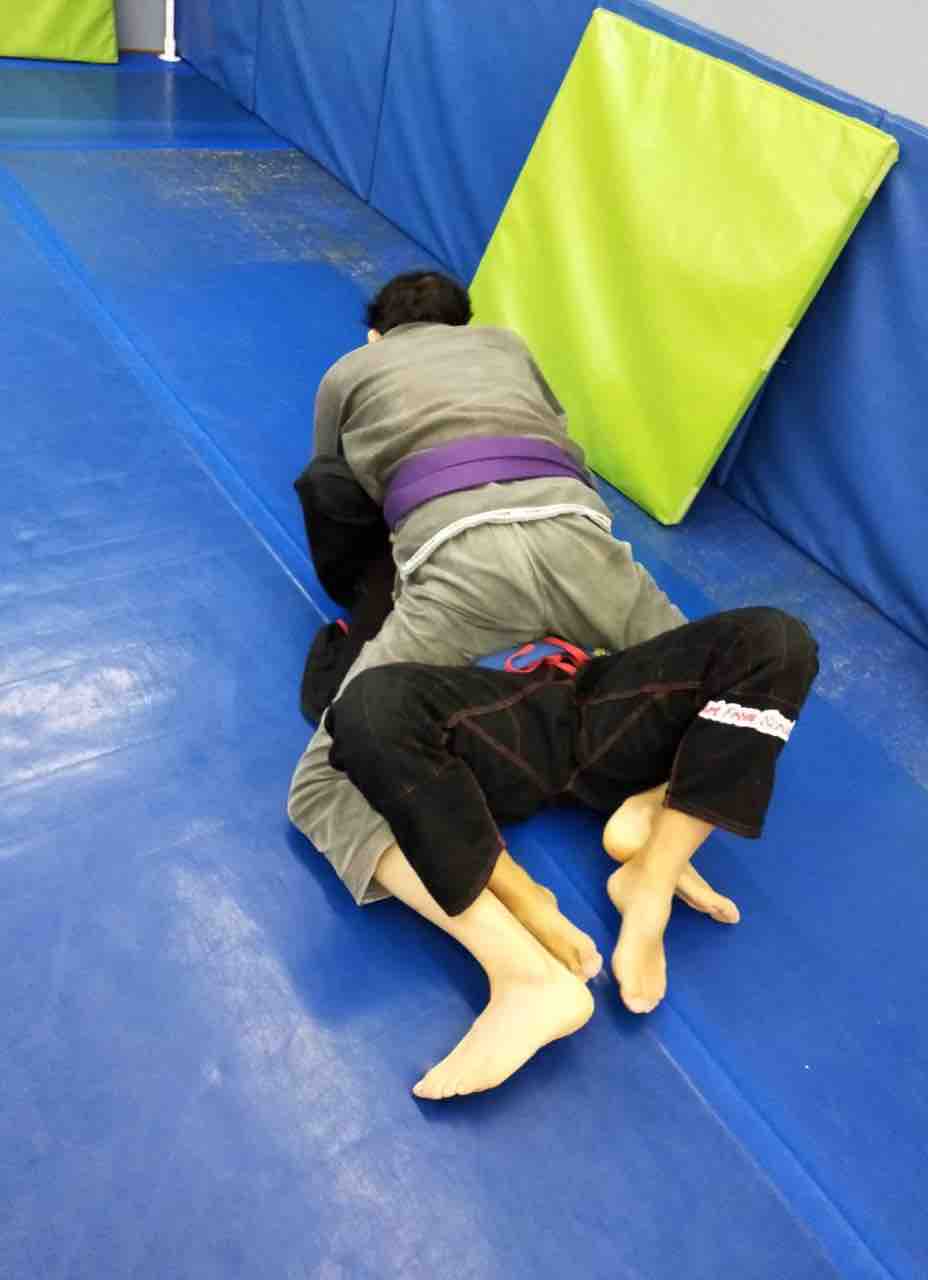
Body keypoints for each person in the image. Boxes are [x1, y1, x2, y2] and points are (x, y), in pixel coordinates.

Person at [288, 269, 685, 918]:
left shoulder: (348, 370)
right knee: (722, 685)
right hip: (581, 543)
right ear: (464, 325)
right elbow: (557, 430)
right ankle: (657, 819)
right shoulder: (506, 344)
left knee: (324, 783)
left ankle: (497, 919)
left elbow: (332, 474)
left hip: (458, 566)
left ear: (374, 334)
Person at [326, 607, 819, 1099]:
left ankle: (652, 878)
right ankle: (530, 921)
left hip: (603, 700)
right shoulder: (417, 600)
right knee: (369, 706)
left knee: (776, 643)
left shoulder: (567, 563)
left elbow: (686, 648)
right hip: (504, 724)